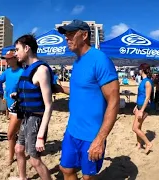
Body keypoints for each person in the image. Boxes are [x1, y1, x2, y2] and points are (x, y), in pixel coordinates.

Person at [56, 20, 120, 179]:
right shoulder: (77, 61)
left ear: (84, 35)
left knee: (88, 177)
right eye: (66, 35)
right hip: (72, 130)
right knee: (66, 169)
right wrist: (60, 89)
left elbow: (114, 101)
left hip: (92, 134)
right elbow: (82, 91)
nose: (66, 38)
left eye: (70, 34)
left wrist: (100, 139)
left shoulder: (100, 59)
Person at [13, 34, 54, 179]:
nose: (15, 53)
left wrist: (41, 136)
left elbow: (49, 106)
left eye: (17, 49)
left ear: (27, 48)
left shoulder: (41, 70)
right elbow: (29, 91)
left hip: (36, 120)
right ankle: (22, 178)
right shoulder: (27, 69)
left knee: (35, 160)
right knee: (18, 149)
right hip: (26, 117)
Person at [132, 63, 154, 154]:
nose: (139, 71)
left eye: (140, 69)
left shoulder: (148, 81)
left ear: (142, 70)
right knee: (138, 127)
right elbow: (141, 95)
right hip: (139, 106)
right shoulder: (143, 80)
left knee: (135, 128)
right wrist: (136, 106)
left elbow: (147, 97)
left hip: (144, 108)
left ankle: (148, 144)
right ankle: (139, 144)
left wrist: (141, 110)